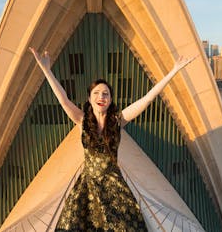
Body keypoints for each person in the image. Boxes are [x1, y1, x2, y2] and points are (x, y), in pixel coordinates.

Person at [29, 47, 195, 232]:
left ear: (110, 99)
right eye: (97, 93)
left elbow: (147, 99)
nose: (101, 97)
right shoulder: (82, 121)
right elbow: (63, 99)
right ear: (89, 99)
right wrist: (46, 70)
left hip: (114, 186)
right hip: (87, 186)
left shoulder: (118, 121)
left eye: (105, 93)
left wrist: (173, 71)